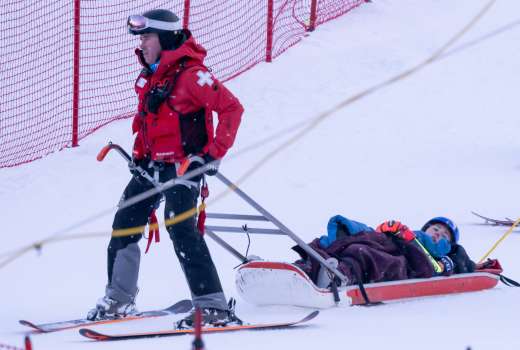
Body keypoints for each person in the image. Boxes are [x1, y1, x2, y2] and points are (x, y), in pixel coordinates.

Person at [87, 9, 244, 327]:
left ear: (166, 38)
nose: (141, 44)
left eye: (147, 37)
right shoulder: (152, 75)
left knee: (180, 227)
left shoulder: (191, 75)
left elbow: (231, 108)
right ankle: (119, 299)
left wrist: (212, 155)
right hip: (151, 166)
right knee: (125, 222)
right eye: (140, 37)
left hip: (184, 168)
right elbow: (151, 121)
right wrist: (140, 154)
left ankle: (213, 306)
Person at [293, 215, 477, 288]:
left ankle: (340, 274)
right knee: (348, 240)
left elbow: (433, 268)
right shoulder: (411, 233)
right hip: (390, 243)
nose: (438, 235)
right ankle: (303, 267)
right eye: (436, 229)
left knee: (363, 253)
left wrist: (408, 240)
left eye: (445, 236)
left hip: (404, 258)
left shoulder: (444, 256)